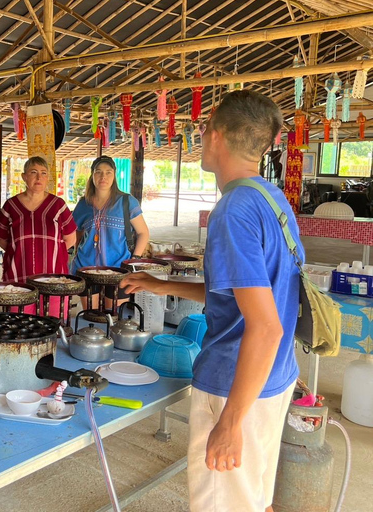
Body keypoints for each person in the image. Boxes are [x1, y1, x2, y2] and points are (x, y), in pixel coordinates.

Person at [121, 90, 300, 512]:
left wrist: (231, 422)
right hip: (270, 377)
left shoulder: (232, 211)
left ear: (215, 135)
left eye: (203, 132)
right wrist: (161, 285)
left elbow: (266, 325)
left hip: (235, 385)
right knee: (253, 501)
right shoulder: (271, 199)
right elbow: (248, 297)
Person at [0, 156, 76, 313]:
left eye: (43, 173)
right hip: (18, 279)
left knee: (52, 325)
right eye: (33, 172)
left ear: (48, 178)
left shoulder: (58, 205)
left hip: (54, 278)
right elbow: (1, 238)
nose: (39, 177)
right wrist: (19, 248)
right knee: (21, 327)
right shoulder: (11, 206)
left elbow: (70, 239)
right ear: (24, 177)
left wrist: (50, 252)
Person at [70, 155, 150, 308]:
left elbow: (143, 232)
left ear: (114, 175)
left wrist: (134, 259)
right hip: (86, 268)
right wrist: (75, 252)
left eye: (108, 172)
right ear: (92, 175)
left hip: (118, 268)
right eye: (98, 172)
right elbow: (77, 233)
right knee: (90, 316)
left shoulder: (126, 201)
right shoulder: (83, 204)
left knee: (114, 316)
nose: (103, 176)